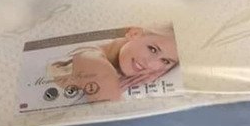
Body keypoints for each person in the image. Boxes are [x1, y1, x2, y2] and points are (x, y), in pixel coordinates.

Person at [47, 25, 179, 102]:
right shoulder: (92, 59)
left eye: (165, 61)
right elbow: (115, 124)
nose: (150, 63)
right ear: (134, 33)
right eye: (152, 49)